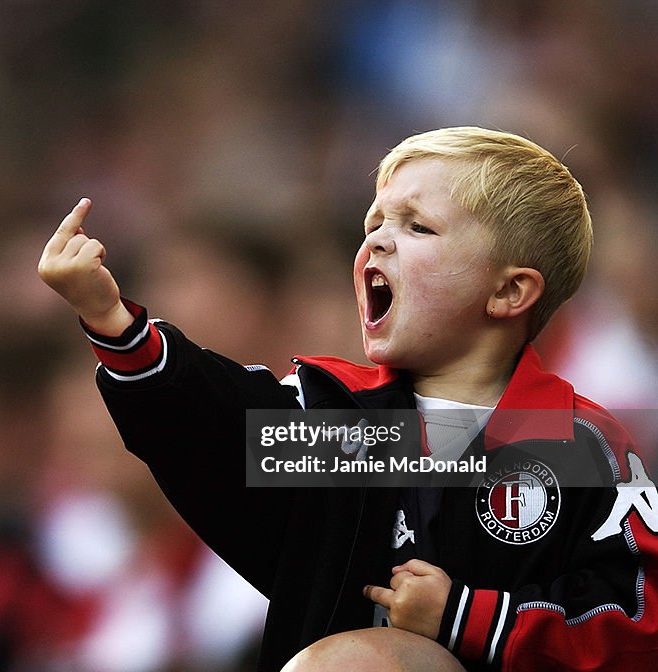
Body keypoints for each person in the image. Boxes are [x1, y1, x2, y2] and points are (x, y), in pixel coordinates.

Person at [37, 127, 658, 671]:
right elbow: (212, 431)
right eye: (374, 223)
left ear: (510, 291)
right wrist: (112, 321)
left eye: (417, 226)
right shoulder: (338, 420)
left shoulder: (580, 446)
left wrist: (469, 618)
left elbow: (639, 623)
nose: (379, 242)